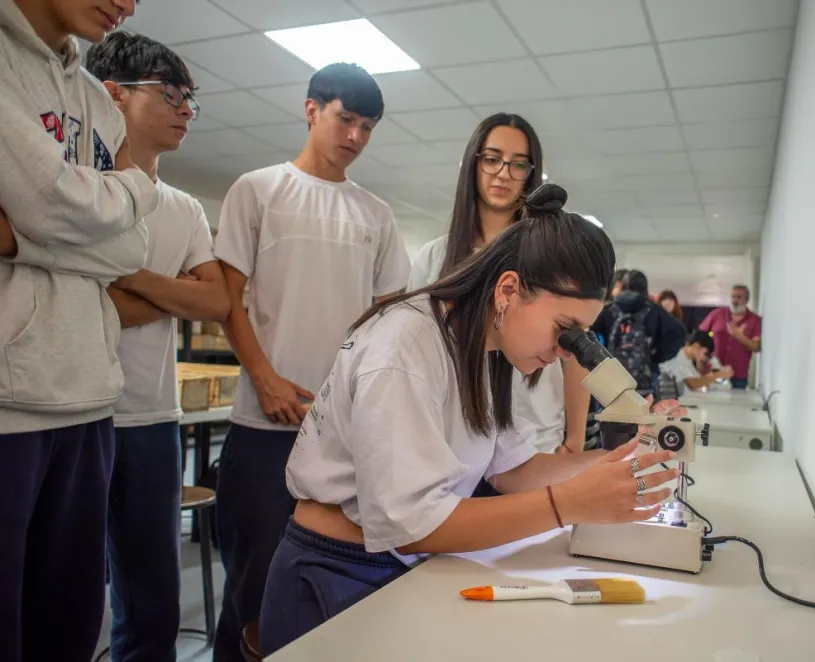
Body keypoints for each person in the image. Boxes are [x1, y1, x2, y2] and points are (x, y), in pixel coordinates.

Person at [257, 183, 683, 653]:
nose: (567, 352)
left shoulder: (481, 351)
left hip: (401, 566)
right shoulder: (406, 344)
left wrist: (630, 456)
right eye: (565, 331)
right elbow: (413, 524)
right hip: (336, 575)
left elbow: (515, 472)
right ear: (508, 289)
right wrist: (569, 503)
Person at [211, 62, 411, 662]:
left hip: (344, 435)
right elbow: (228, 300)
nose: (354, 136)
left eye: (367, 127)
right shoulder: (258, 189)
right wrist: (265, 379)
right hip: (262, 424)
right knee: (249, 591)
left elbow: (388, 319)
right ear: (311, 110)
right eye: (345, 118)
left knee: (319, 591)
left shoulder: (376, 214)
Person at [0, 1, 159, 660]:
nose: (126, 3)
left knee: (68, 629)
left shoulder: (98, 99)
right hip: (8, 408)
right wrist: (117, 198)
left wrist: (19, 240)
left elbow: (131, 251)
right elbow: (54, 203)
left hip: (91, 398)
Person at [85, 32, 231, 662]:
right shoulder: (76, 189)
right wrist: (171, 294)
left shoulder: (183, 207)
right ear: (112, 95)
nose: (185, 110)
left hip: (152, 421)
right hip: (76, 414)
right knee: (67, 597)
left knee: (153, 602)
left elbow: (216, 303)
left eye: (190, 99)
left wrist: (127, 278)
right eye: (169, 93)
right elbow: (81, 299)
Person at [408, 113, 589, 456]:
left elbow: (576, 353)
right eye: (492, 160)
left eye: (518, 165)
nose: (504, 173)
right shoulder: (434, 258)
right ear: (474, 164)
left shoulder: (554, 258)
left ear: (531, 174)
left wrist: (575, 441)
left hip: (534, 439)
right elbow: (414, 354)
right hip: (452, 446)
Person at [591, 269, 686, 397]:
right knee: (646, 412)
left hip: (613, 378)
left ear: (624, 286)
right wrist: (656, 358)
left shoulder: (611, 309)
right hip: (644, 379)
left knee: (609, 413)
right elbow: (679, 332)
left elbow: (590, 330)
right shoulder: (653, 310)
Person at [699, 284, 762, 389]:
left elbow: (756, 347)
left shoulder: (755, 320)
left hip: (738, 376)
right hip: (714, 372)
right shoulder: (717, 314)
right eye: (733, 296)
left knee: (736, 404)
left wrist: (740, 337)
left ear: (746, 300)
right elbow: (700, 336)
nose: (735, 300)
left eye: (739, 297)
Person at [658, 330, 734, 399]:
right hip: (675, 403)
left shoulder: (688, 360)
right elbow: (693, 384)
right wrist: (717, 375)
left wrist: (704, 372)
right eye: (705, 353)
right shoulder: (678, 358)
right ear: (696, 346)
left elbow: (698, 382)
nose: (704, 358)